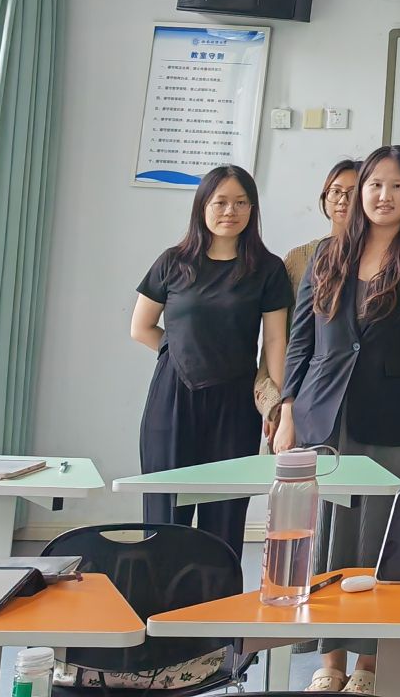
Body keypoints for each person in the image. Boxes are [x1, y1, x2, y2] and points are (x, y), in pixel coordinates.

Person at [276, 146, 400, 695]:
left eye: (398, 186)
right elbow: (301, 342)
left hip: (397, 415)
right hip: (324, 414)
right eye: (375, 184)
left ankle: (369, 665)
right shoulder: (327, 255)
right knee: (326, 537)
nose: (384, 195)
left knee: (381, 536)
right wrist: (287, 412)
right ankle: (328, 660)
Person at [131, 165, 290, 557]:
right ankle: (162, 593)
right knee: (165, 516)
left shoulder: (267, 269)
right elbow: (141, 327)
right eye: (220, 202)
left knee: (225, 517)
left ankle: (218, 594)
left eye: (241, 203)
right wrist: (181, 352)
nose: (230, 211)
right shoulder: (173, 262)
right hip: (172, 401)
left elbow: (275, 341)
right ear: (202, 206)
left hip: (235, 404)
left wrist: (282, 406)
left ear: (252, 209)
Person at [256, 159, 357, 427]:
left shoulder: (382, 260)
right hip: (300, 394)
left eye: (353, 192)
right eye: (335, 191)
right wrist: (275, 402)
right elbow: (280, 338)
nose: (343, 200)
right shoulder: (300, 258)